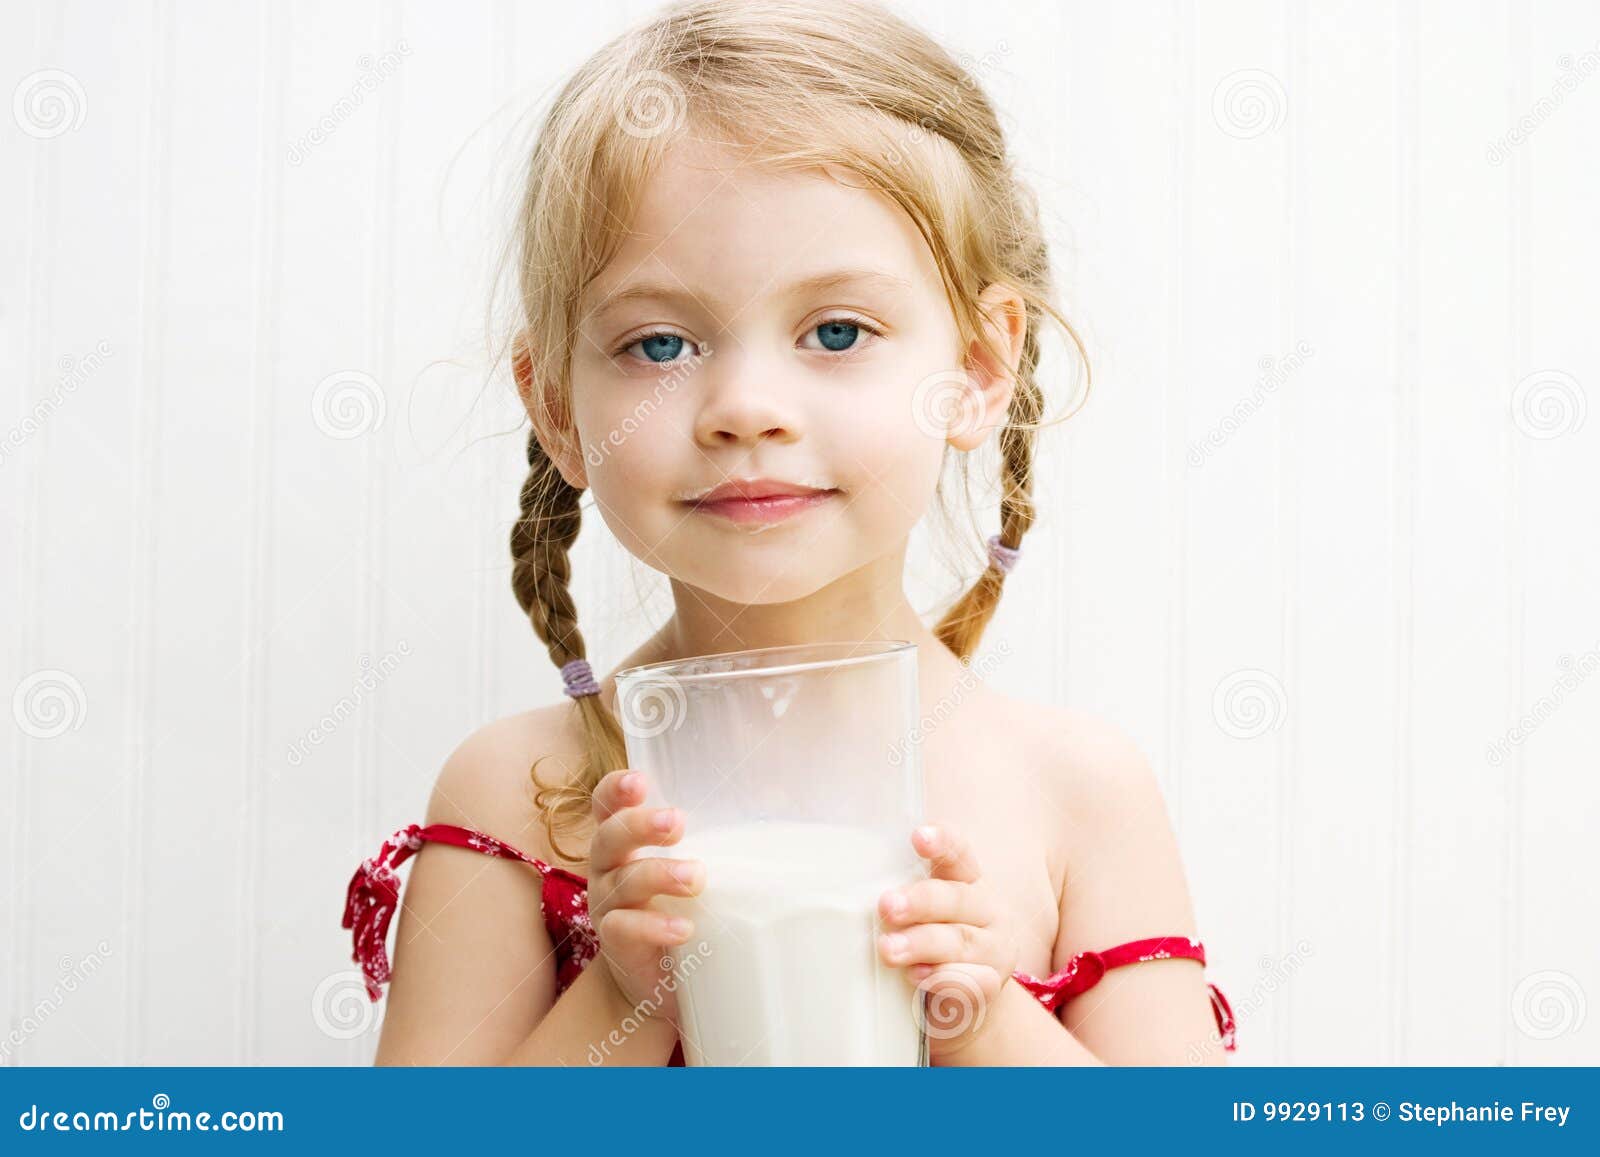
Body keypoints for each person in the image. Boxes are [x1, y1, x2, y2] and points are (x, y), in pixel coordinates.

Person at [342, 0, 1236, 1066]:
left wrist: (981, 1013)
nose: (745, 406)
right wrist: (633, 998)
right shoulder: (515, 789)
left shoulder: (1075, 790)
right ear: (558, 409)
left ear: (979, 369)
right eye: (660, 342)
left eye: (837, 331)